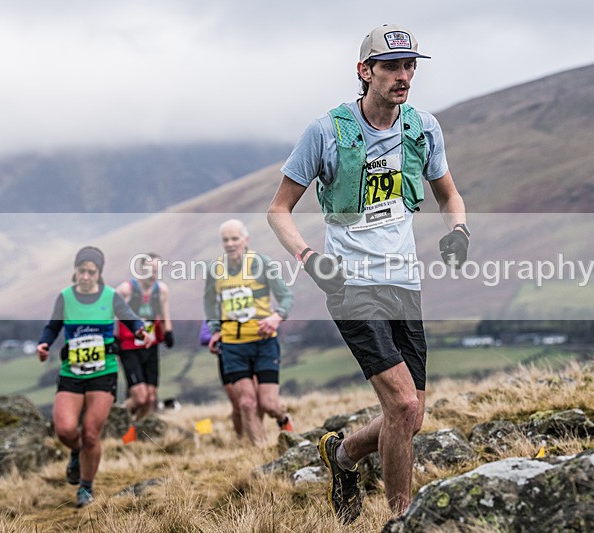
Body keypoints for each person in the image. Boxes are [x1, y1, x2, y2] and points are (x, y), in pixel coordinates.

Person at [267, 24, 469, 522]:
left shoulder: (423, 128)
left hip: (404, 283)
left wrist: (459, 230)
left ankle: (343, 455)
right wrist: (310, 259)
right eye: (392, 67)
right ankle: (401, 520)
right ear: (365, 71)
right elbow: (278, 211)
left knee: (412, 416)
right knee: (402, 407)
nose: (404, 76)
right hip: (350, 284)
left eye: (410, 66)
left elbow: (448, 195)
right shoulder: (326, 132)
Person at [36, 246, 150, 508]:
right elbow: (52, 327)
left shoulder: (110, 296)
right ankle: (76, 452)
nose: (86, 276)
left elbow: (130, 318)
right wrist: (44, 344)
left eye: (91, 272)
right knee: (65, 430)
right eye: (82, 271)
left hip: (103, 372)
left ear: (99, 274)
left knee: (90, 434)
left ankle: (85, 488)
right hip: (72, 372)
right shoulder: (65, 297)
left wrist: (140, 331)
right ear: (75, 271)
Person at [203, 219, 295, 446]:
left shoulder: (262, 264)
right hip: (233, 345)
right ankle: (261, 452)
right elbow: (210, 302)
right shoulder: (215, 270)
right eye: (226, 240)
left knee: (268, 404)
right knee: (246, 403)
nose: (230, 244)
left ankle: (283, 418)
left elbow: (286, 297)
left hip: (264, 342)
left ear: (246, 240)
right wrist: (215, 329)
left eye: (235, 238)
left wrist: (276, 317)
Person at [115, 253, 174, 420]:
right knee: (140, 397)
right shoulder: (126, 289)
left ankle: (136, 428)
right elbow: (110, 312)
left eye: (157, 270)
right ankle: (114, 418)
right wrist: (112, 337)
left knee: (150, 398)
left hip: (150, 346)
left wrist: (168, 331)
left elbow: (164, 312)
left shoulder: (161, 290)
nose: (154, 274)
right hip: (129, 347)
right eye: (150, 270)